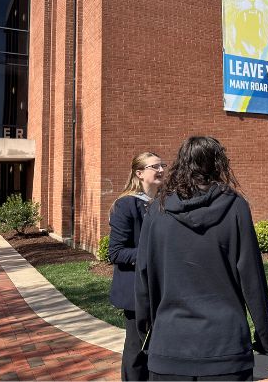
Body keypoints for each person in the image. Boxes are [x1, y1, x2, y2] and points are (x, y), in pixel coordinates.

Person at [134, 136, 268, 381]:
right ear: (218, 165)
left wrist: (144, 327)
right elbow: (252, 277)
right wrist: (264, 335)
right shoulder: (235, 206)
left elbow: (143, 277)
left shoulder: (157, 210)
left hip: (170, 343)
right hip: (225, 345)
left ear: (181, 164)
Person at [109, 151, 166, 381]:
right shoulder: (126, 205)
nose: (161, 170)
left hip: (161, 288)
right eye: (155, 166)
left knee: (157, 347)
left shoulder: (164, 202)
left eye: (162, 165)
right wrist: (150, 255)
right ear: (140, 173)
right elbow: (116, 252)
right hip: (135, 290)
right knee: (136, 350)